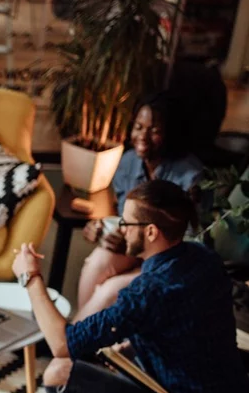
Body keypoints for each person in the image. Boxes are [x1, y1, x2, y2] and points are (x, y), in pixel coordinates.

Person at [12, 180, 249, 393]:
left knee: (58, 374)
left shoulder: (150, 292)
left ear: (151, 231)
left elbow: (61, 345)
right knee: (123, 352)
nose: (121, 228)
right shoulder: (202, 258)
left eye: (127, 222)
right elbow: (185, 329)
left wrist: (30, 277)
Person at [76, 92, 205, 321]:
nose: (142, 136)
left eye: (154, 131)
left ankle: (74, 342)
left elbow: (189, 243)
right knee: (96, 262)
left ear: (171, 133)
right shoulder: (128, 162)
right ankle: (83, 343)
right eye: (138, 127)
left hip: (171, 262)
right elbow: (121, 216)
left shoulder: (190, 177)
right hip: (137, 250)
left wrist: (135, 245)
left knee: (109, 291)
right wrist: (102, 229)